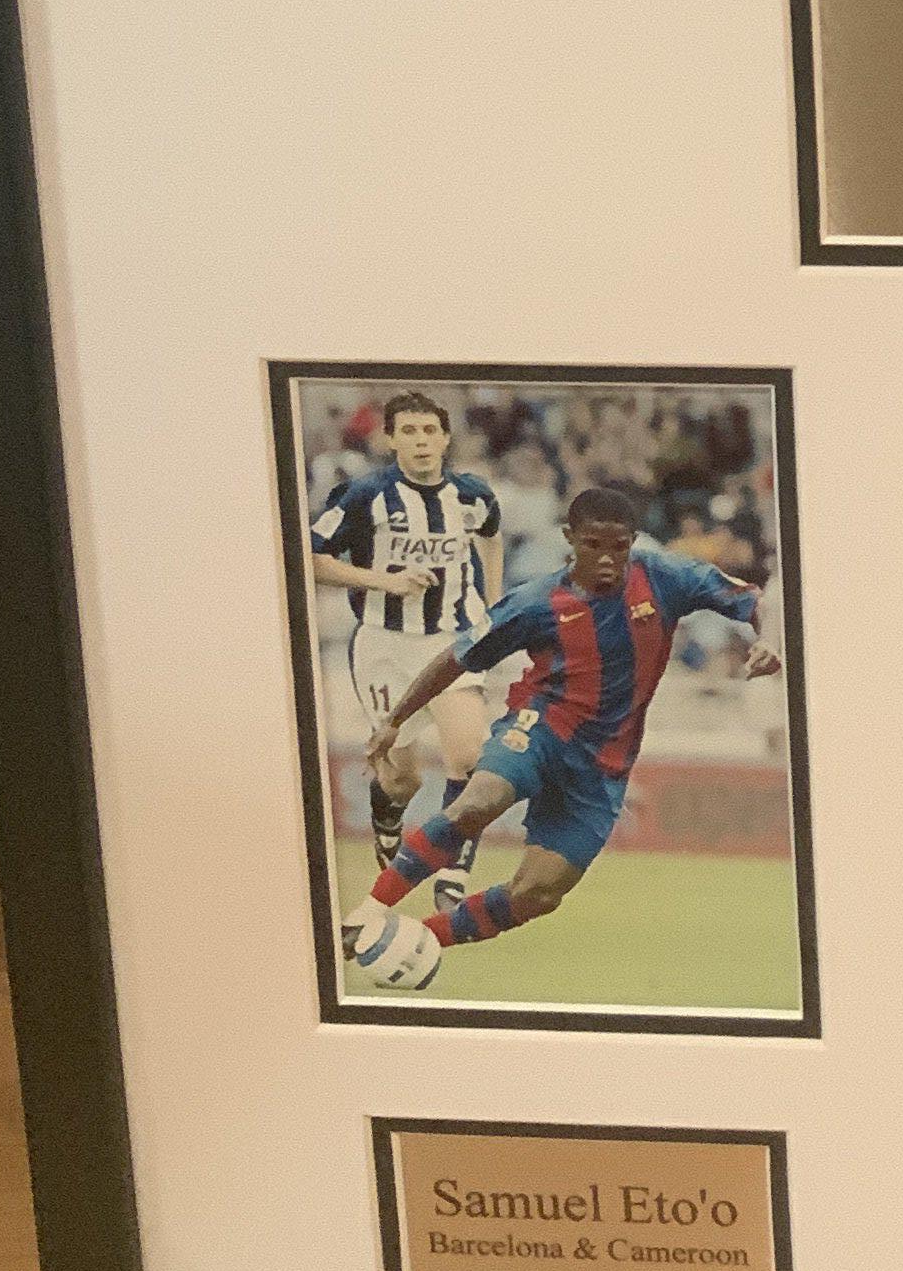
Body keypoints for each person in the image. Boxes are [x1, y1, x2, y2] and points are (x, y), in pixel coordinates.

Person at [343, 479, 777, 973]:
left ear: (633, 541)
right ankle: (368, 913)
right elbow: (455, 658)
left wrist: (768, 640)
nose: (608, 558)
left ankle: (415, 940)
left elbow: (752, 599)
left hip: (603, 768)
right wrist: (394, 722)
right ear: (571, 538)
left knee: (538, 894)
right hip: (541, 728)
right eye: (594, 545)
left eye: (619, 546)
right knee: (479, 802)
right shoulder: (535, 602)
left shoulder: (665, 577)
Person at [308, 388, 502, 884]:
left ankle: (452, 868)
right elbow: (309, 558)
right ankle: (387, 812)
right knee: (403, 777)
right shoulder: (366, 496)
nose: (421, 441)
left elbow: (491, 535)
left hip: (451, 639)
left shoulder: (472, 496)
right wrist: (385, 581)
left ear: (446, 438)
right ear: (390, 439)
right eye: (409, 432)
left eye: (430, 431)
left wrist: (492, 603)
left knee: (469, 753)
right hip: (384, 645)